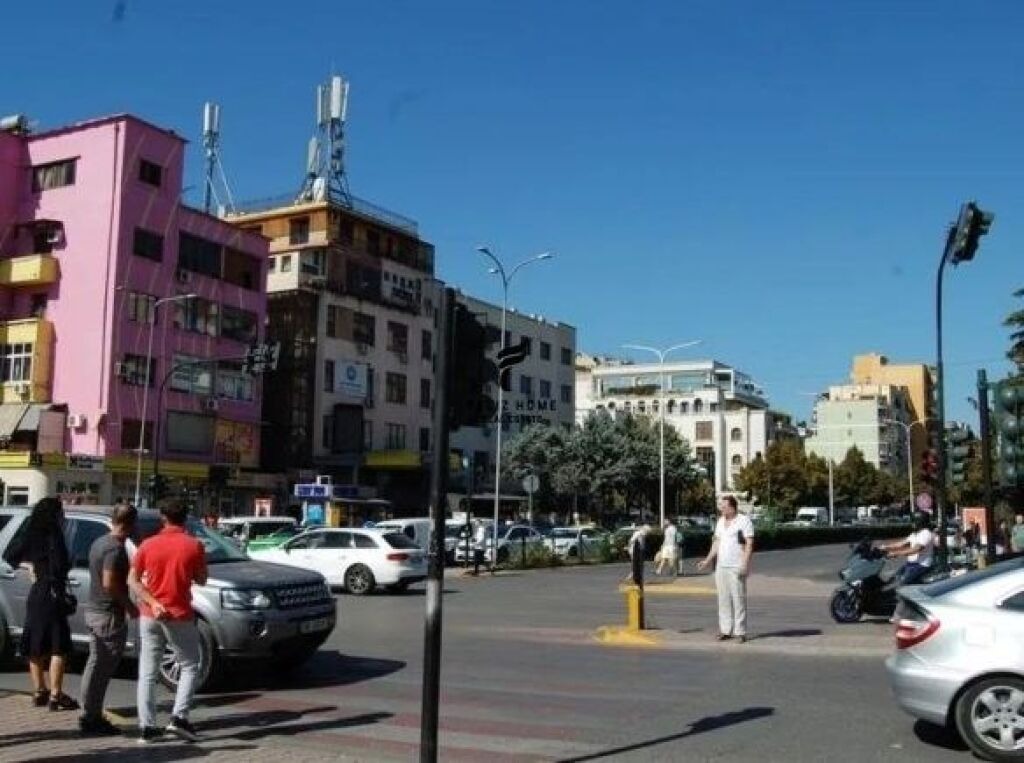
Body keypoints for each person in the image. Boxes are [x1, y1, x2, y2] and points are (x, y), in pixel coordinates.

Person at [129, 499, 207, 744]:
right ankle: (179, 718)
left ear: (163, 517)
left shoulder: (148, 544)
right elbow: (202, 579)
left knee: (148, 671)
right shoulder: (194, 545)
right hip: (179, 613)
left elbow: (133, 580)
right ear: (185, 518)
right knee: (190, 665)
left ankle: (147, 727)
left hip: (150, 614)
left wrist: (153, 602)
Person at [1, 497, 79, 710]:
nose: (63, 516)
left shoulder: (31, 533)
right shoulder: (56, 535)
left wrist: (30, 566)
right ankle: (55, 694)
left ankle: (39, 690)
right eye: (61, 512)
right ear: (55, 515)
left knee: (35, 644)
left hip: (37, 594)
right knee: (58, 646)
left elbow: (10, 555)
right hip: (54, 593)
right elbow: (60, 565)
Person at [79, 503, 139, 736]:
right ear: (130, 524)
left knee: (95, 664)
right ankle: (91, 717)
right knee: (102, 668)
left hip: (95, 609)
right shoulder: (114, 548)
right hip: (107, 613)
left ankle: (89, 712)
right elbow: (109, 583)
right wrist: (129, 605)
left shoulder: (99, 542)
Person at [697, 497, 754, 642]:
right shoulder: (720, 522)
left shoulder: (744, 521)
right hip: (721, 566)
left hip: (736, 565)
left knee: (738, 599)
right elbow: (716, 543)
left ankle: (740, 632)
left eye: (723, 506)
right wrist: (707, 560)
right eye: (721, 506)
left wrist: (745, 564)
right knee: (723, 599)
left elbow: (749, 543)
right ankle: (725, 630)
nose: (721, 509)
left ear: (732, 507)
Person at [884, 512, 934, 585]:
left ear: (920, 522)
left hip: (921, 565)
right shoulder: (914, 534)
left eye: (914, 521)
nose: (912, 524)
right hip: (911, 563)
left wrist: (896, 553)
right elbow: (901, 543)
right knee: (894, 577)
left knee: (901, 583)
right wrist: (885, 547)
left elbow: (916, 549)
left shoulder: (926, 533)